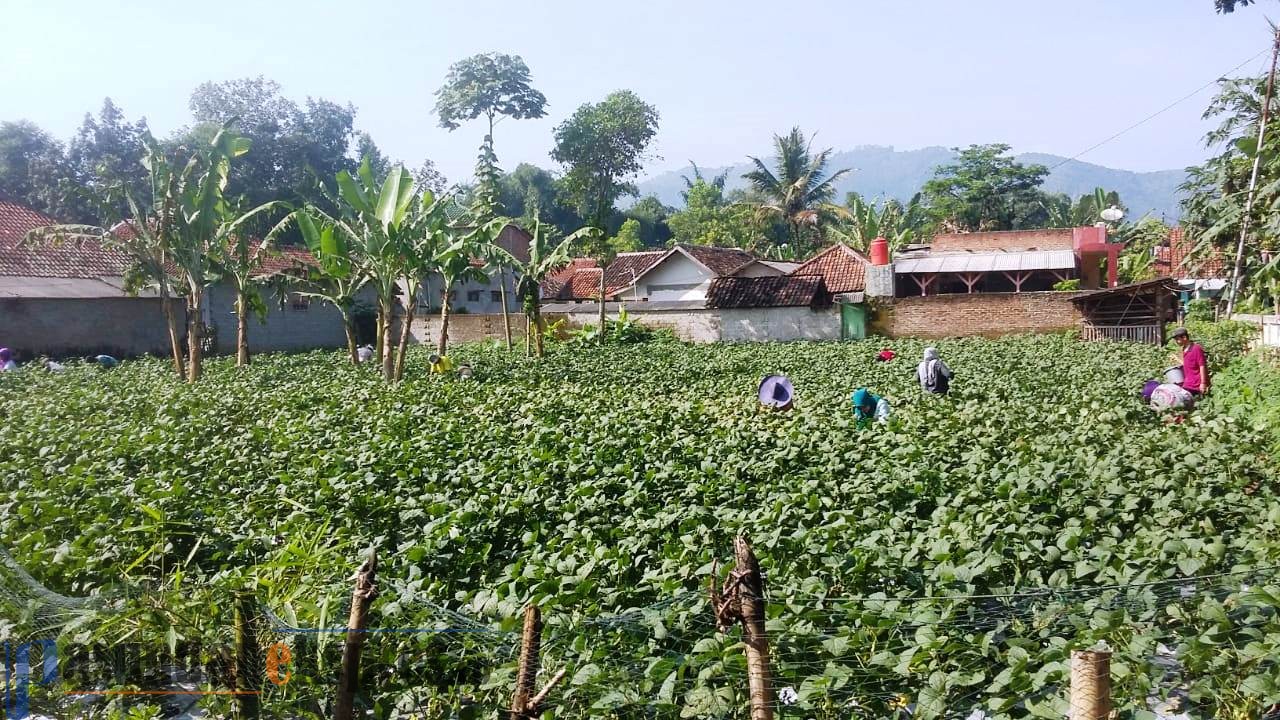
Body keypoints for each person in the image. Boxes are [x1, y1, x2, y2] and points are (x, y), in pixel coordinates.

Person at [1171, 327, 1209, 396]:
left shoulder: (1196, 348)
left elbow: (1202, 366)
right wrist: (1177, 359)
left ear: (1184, 337)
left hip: (1196, 385)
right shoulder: (1185, 349)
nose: (1176, 342)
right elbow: (1188, 365)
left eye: (1177, 339)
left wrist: (1203, 383)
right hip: (1188, 383)